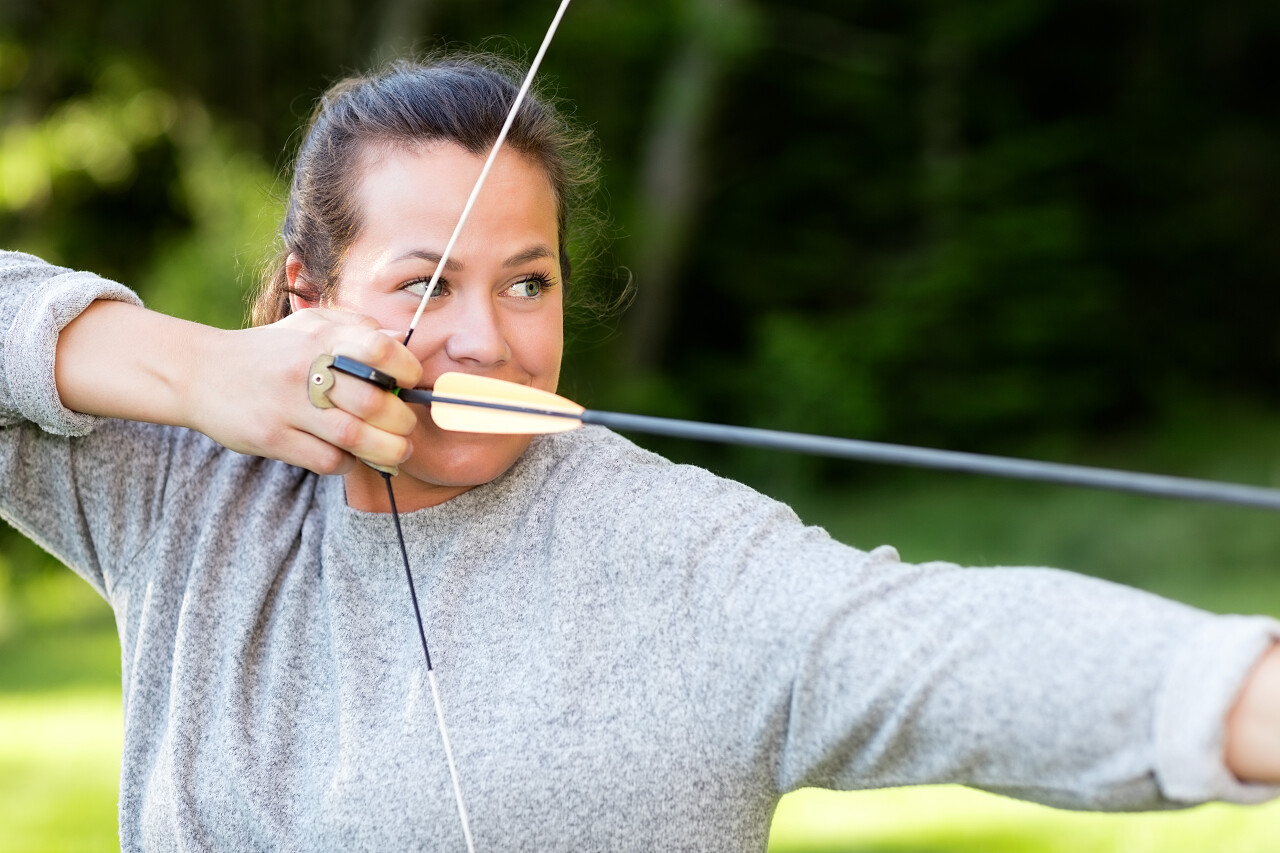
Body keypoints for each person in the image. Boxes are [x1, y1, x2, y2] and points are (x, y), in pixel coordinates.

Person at [2, 54, 1279, 851]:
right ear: (303, 290)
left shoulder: (671, 553)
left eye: (525, 283)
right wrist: (195, 369)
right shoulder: (184, 482)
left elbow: (939, 645)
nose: (483, 340)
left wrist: (1241, 692)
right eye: (424, 282)